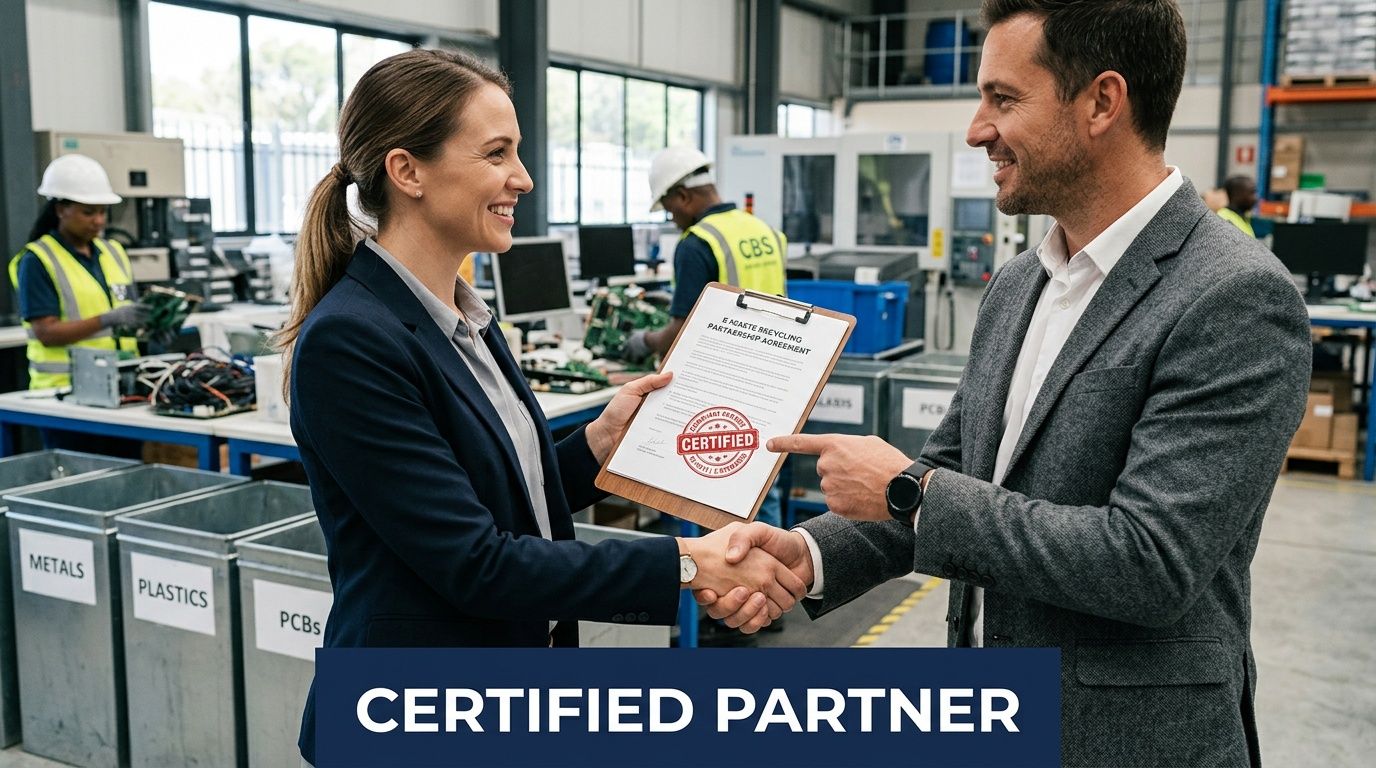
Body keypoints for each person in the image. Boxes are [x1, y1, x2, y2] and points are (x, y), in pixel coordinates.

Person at [698, 2, 1311, 765]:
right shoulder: (1020, 283)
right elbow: (954, 470)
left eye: (1004, 98)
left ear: (1102, 102)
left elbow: (1152, 562)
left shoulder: (1233, 296)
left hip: (1128, 743)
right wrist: (808, 553)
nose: (976, 129)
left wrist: (908, 494)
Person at [277, 49, 803, 766]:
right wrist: (689, 562)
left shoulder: (465, 319)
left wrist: (597, 444)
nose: (522, 178)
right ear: (408, 172)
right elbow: (476, 564)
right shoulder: (351, 342)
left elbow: (493, 492)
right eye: (497, 154)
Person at [627, 146, 790, 529]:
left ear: (684, 196)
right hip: (775, 380)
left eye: (670, 208)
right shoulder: (764, 230)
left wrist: (645, 341)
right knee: (762, 489)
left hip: (724, 385)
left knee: (717, 499)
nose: (673, 218)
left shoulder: (697, 242)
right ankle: (781, 579)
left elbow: (680, 330)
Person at [9, 154, 149, 391]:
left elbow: (128, 313)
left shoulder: (113, 252)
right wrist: (108, 319)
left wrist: (152, 326)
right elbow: (46, 332)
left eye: (103, 212)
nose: (98, 221)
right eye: (89, 212)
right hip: (63, 390)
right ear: (61, 209)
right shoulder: (37, 260)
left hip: (120, 384)